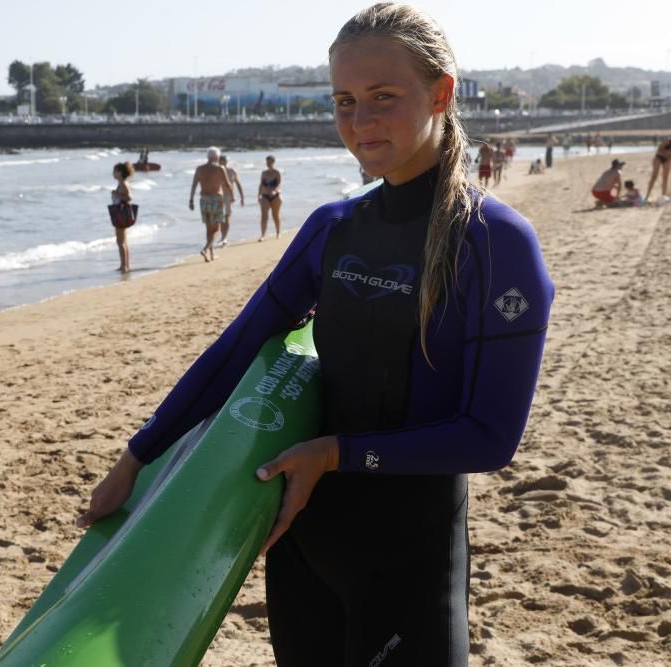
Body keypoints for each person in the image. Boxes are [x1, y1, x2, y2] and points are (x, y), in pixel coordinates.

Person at [77, 4, 553, 665]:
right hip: (303, 542)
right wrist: (135, 457)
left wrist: (335, 452)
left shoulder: (495, 243)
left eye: (383, 97)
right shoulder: (333, 228)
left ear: (442, 92)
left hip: (408, 556)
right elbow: (236, 349)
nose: (360, 123)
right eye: (344, 101)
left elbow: (490, 435)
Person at [188, 147, 235, 262]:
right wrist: (232, 196)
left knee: (208, 228)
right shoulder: (220, 168)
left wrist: (191, 200)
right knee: (216, 229)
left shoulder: (199, 169)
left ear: (208, 157)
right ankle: (205, 249)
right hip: (216, 199)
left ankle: (212, 254)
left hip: (204, 199)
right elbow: (228, 184)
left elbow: (194, 185)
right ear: (217, 157)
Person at [111, 161, 135, 273]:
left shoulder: (123, 184)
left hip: (121, 214)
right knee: (122, 241)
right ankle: (125, 265)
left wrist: (116, 194)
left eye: (114, 171)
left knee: (120, 242)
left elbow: (129, 197)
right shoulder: (121, 183)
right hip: (119, 213)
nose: (113, 173)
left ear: (119, 172)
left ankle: (124, 266)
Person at [218, 154, 245, 246]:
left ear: (226, 162)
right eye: (220, 161)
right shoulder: (216, 172)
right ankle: (223, 237)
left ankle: (225, 238)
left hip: (229, 197)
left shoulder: (232, 171)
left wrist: (242, 197)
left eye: (223, 161)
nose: (221, 162)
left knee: (227, 217)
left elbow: (238, 184)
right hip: (219, 197)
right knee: (221, 218)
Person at [257, 155, 283, 240]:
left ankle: (278, 232)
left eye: (270, 162)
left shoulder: (277, 172)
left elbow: (279, 184)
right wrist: (259, 195)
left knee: (275, 215)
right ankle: (263, 235)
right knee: (264, 216)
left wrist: (275, 191)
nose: (268, 163)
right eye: (267, 162)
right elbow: (261, 185)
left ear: (273, 162)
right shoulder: (264, 173)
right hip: (265, 196)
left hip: (275, 196)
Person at [644, 137, 671, 203]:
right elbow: (659, 150)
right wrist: (665, 155)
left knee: (665, 178)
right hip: (659, 157)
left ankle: (663, 196)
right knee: (654, 177)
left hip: (667, 159)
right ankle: (647, 196)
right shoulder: (668, 141)